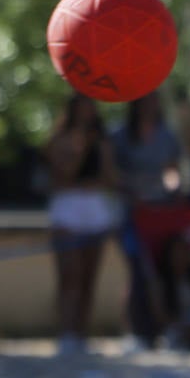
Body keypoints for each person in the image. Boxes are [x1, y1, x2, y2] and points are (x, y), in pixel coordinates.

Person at [44, 93, 121, 355]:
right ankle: (65, 331)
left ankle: (81, 333)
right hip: (67, 209)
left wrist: (97, 151)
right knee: (70, 275)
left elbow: (109, 177)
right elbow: (63, 175)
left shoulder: (102, 140)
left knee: (89, 276)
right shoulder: (60, 139)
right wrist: (80, 149)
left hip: (95, 209)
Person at [111, 91, 182, 349]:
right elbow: (112, 172)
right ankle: (136, 330)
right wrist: (132, 191)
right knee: (138, 272)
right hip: (132, 214)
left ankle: (164, 328)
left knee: (163, 270)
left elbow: (173, 170)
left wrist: (172, 189)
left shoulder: (166, 136)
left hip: (159, 212)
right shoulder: (119, 135)